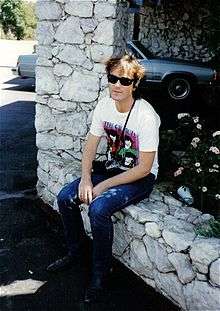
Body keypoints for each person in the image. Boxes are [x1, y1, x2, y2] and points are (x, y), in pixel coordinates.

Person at [46, 53, 161, 303]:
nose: (118, 85)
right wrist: (86, 179)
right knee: (66, 197)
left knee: (98, 208)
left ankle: (101, 272)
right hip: (112, 167)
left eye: (125, 81)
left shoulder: (146, 116)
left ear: (135, 84)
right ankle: (75, 252)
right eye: (113, 78)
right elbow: (90, 146)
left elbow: (144, 168)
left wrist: (104, 186)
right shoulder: (104, 105)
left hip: (140, 176)